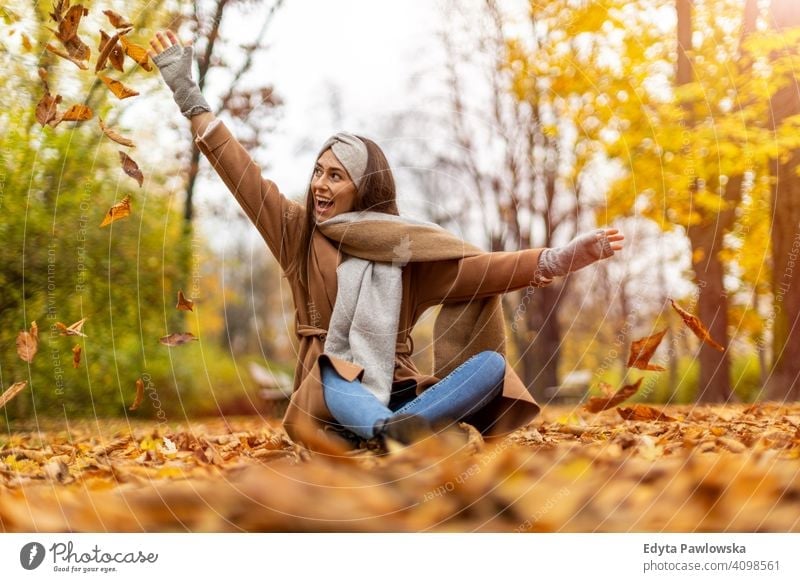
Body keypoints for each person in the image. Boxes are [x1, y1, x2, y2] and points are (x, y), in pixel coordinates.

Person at [148, 30, 625, 453]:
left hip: (400, 386)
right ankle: (389, 430)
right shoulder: (297, 235)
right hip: (333, 389)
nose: (320, 184)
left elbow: (482, 271)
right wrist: (187, 92)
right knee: (339, 369)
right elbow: (241, 175)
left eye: (336, 176)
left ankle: (395, 429)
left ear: (363, 188)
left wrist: (565, 256)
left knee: (493, 368)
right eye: (318, 171)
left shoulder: (404, 251)